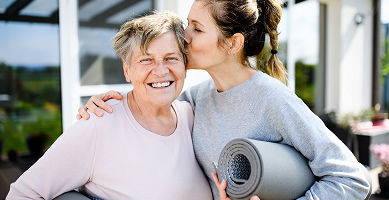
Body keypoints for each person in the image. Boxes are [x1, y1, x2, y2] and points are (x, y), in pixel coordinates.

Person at [77, 0, 370, 199]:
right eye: (187, 24)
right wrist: (110, 104)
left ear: (233, 43)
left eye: (197, 28)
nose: (184, 37)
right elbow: (148, 107)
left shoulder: (272, 99)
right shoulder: (196, 97)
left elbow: (352, 179)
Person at [6, 11, 212, 200]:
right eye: (146, 60)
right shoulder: (99, 124)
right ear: (127, 70)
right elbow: (22, 194)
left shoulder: (190, 115)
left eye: (171, 58)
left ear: (184, 65)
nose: (160, 71)